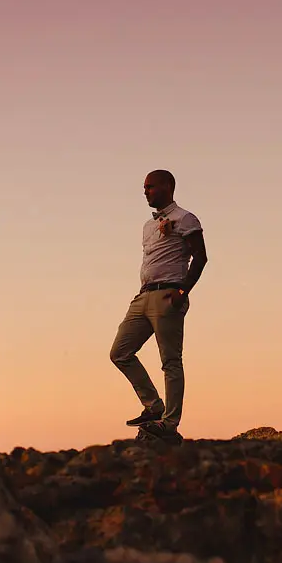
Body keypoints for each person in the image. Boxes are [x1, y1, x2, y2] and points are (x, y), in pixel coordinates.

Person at [110, 169, 208, 438]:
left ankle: (170, 423)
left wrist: (182, 291)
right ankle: (153, 405)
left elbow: (200, 257)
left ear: (168, 186)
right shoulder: (148, 226)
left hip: (168, 295)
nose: (145, 191)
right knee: (120, 352)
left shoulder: (185, 218)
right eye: (144, 187)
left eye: (150, 187)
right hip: (143, 295)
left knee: (170, 361)